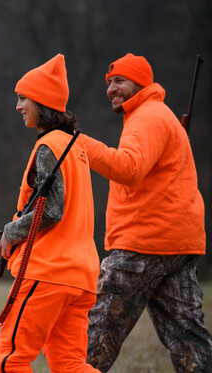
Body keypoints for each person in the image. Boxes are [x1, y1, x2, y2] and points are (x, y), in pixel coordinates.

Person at [81, 53, 212, 372]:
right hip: (177, 246)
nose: (112, 88)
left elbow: (129, 168)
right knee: (189, 342)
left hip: (142, 246)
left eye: (120, 81)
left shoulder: (148, 117)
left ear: (141, 83)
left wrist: (77, 143)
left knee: (95, 337)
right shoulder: (159, 116)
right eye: (109, 83)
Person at [0, 54, 100, 373]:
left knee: (12, 360)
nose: (18, 106)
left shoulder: (48, 146)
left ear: (42, 101)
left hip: (49, 272)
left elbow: (51, 210)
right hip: (81, 277)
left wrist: (11, 233)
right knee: (69, 365)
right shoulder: (75, 147)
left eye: (23, 98)